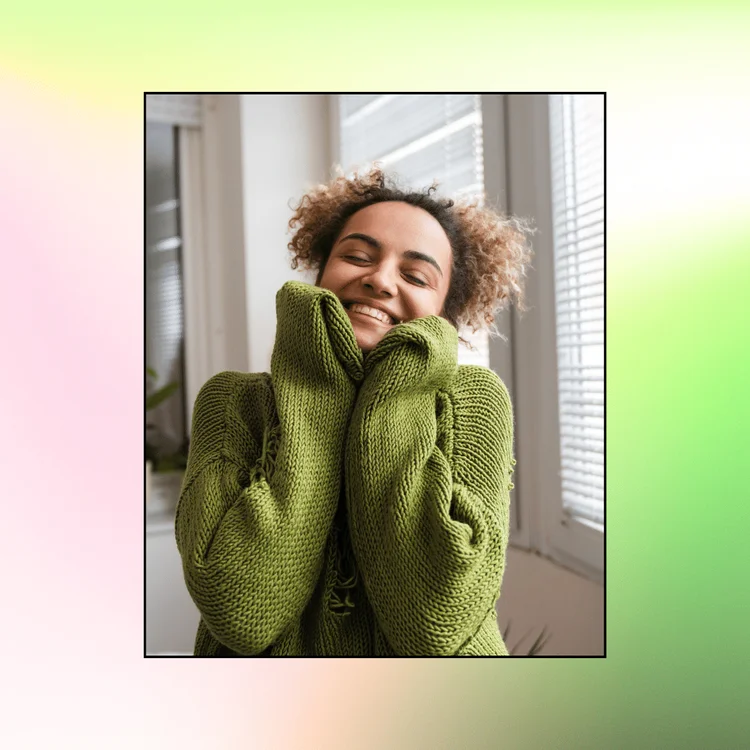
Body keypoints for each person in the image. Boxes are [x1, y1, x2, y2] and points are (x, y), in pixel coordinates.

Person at [174, 167, 535, 656]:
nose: (380, 281)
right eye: (357, 256)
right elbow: (240, 611)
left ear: (445, 313)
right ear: (321, 272)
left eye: (415, 276)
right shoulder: (230, 402)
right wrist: (318, 384)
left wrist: (397, 388)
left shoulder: (477, 400)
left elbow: (434, 621)